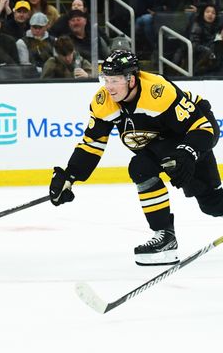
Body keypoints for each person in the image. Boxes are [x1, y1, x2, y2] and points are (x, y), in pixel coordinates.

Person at [49, 50, 223, 266]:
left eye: (115, 80)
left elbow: (204, 127)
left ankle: (167, 237)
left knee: (212, 204)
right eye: (106, 79)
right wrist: (70, 175)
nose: (109, 86)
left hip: (192, 131)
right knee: (143, 169)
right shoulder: (104, 102)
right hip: (162, 144)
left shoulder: (158, 93)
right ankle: (165, 236)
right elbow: (92, 143)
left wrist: (188, 151)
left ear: (131, 79)